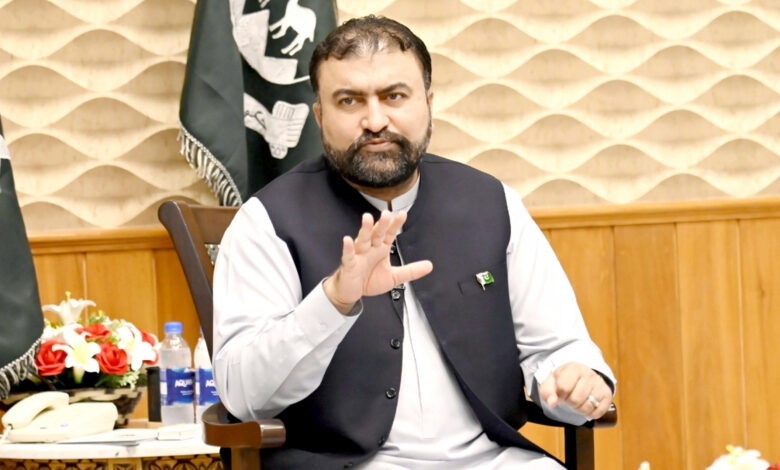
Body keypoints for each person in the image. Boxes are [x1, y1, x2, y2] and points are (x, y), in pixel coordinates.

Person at [212, 15, 615, 470]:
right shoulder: (266, 221)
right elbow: (243, 395)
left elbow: (558, 348)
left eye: (394, 96)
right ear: (320, 116)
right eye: (349, 101)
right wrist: (332, 302)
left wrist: (577, 380)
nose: (375, 121)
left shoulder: (491, 203)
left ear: (428, 104)